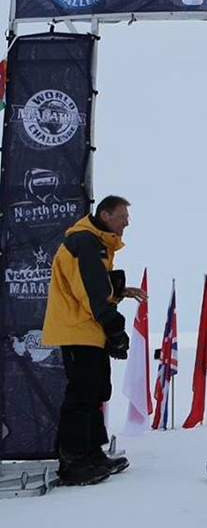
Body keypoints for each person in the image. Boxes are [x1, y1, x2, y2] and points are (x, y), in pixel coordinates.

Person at [42, 195, 147, 485]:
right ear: (104, 215)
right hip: (77, 328)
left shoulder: (94, 241)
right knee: (82, 393)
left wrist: (121, 291)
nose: (127, 222)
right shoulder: (86, 241)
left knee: (97, 390)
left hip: (88, 328)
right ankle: (73, 462)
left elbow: (95, 283)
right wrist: (114, 327)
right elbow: (90, 291)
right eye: (122, 216)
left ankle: (91, 453)